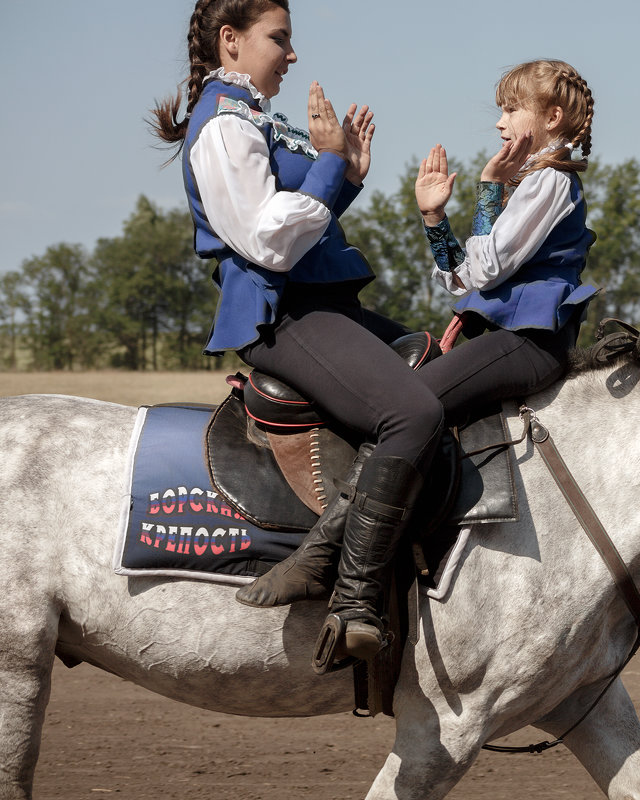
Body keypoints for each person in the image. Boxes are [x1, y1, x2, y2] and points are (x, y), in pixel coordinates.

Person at [149, 0, 444, 671]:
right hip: (282, 316)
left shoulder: (256, 118)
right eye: (278, 38)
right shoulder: (223, 127)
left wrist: (348, 174)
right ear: (231, 41)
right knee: (414, 411)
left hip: (319, 304)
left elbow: (301, 219)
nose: (291, 53)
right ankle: (351, 597)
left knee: (443, 369)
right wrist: (330, 161)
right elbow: (267, 240)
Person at [413, 59, 598, 429]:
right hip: (516, 338)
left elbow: (485, 271)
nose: (500, 122)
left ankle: (363, 489)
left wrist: (489, 187)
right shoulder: (535, 180)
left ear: (552, 118)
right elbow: (464, 279)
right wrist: (434, 217)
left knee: (410, 403)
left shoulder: (551, 180)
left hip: (531, 341)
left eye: (512, 109)